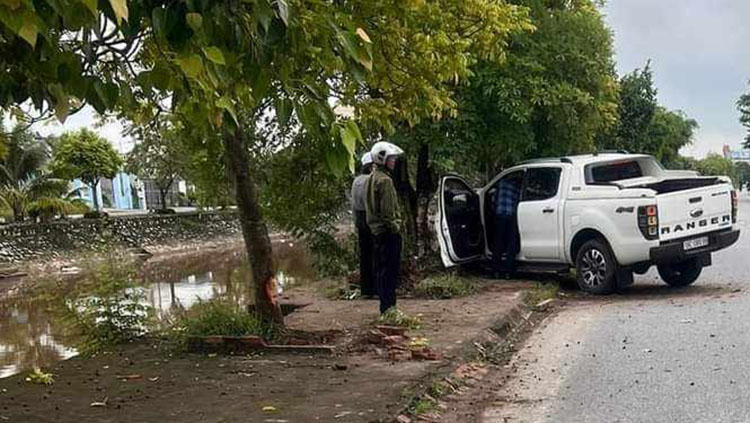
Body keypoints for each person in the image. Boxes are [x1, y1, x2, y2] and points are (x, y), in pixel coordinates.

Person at [365, 141, 404, 314]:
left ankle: (385, 306)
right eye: (392, 158)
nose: (394, 161)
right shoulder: (385, 181)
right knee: (390, 271)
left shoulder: (371, 177)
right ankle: (390, 307)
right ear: (383, 158)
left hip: (376, 231)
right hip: (387, 232)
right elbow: (388, 212)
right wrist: (395, 227)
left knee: (381, 270)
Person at [351, 152, 376, 298]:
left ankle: (366, 289)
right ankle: (376, 289)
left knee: (365, 255)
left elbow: (353, 205)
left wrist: (356, 222)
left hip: (360, 220)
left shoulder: (356, 181)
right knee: (376, 254)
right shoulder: (372, 181)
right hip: (371, 219)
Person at [492, 171, 523, 278]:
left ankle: (495, 271)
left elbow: (493, 199)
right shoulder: (517, 188)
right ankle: (508, 272)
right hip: (511, 216)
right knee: (511, 244)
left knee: (498, 243)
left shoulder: (501, 184)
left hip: (500, 215)